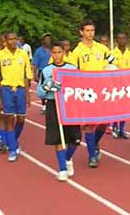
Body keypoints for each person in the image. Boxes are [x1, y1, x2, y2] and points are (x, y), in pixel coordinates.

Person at [71, 19, 113, 168]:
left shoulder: (102, 49)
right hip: (87, 92)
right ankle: (92, 155)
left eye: (92, 30)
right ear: (81, 32)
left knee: (103, 122)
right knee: (89, 125)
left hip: (102, 91)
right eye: (87, 30)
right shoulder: (77, 52)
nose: (90, 33)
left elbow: (113, 64)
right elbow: (72, 73)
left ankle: (93, 143)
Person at [37, 42, 81, 181]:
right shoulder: (46, 70)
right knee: (58, 137)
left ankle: (67, 158)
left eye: (59, 52)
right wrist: (47, 88)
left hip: (69, 105)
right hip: (53, 104)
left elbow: (79, 86)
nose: (57, 55)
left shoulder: (72, 68)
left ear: (64, 52)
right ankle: (62, 168)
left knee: (75, 138)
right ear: (51, 54)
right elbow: (39, 92)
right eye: (54, 52)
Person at [0, 32, 33, 162]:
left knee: (21, 119)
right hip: (6, 89)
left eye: (14, 38)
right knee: (9, 119)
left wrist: (28, 95)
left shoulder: (23, 54)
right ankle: (12, 149)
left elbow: (27, 76)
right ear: (5, 40)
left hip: (20, 89)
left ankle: (13, 140)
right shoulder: (0, 55)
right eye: (10, 39)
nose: (13, 41)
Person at [111, 33, 130, 139]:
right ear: (116, 40)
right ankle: (114, 127)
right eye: (119, 38)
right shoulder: (112, 53)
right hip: (116, 84)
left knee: (124, 108)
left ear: (126, 40)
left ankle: (122, 129)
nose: (121, 40)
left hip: (126, 84)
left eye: (123, 38)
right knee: (116, 107)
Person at [33, 33, 52, 114]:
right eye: (46, 39)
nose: (48, 40)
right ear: (43, 40)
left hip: (52, 71)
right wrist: (35, 75)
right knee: (44, 89)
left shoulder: (53, 50)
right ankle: (44, 106)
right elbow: (35, 64)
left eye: (49, 39)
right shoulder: (39, 51)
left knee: (52, 89)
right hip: (42, 72)